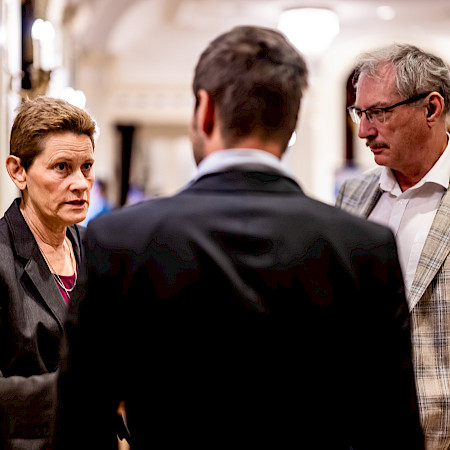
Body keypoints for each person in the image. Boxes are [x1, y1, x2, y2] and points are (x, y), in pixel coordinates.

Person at [56, 27, 423, 449]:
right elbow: (394, 434)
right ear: (290, 123)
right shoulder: (365, 247)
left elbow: (79, 426)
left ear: (205, 110)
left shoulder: (121, 239)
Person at [336, 43, 450, 449]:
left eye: (379, 112)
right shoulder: (352, 195)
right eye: (359, 113)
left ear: (431, 108)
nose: (364, 131)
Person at [0, 96, 96, 448]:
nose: (80, 182)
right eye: (62, 167)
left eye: (86, 166)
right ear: (18, 171)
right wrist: (82, 391)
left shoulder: (96, 248)